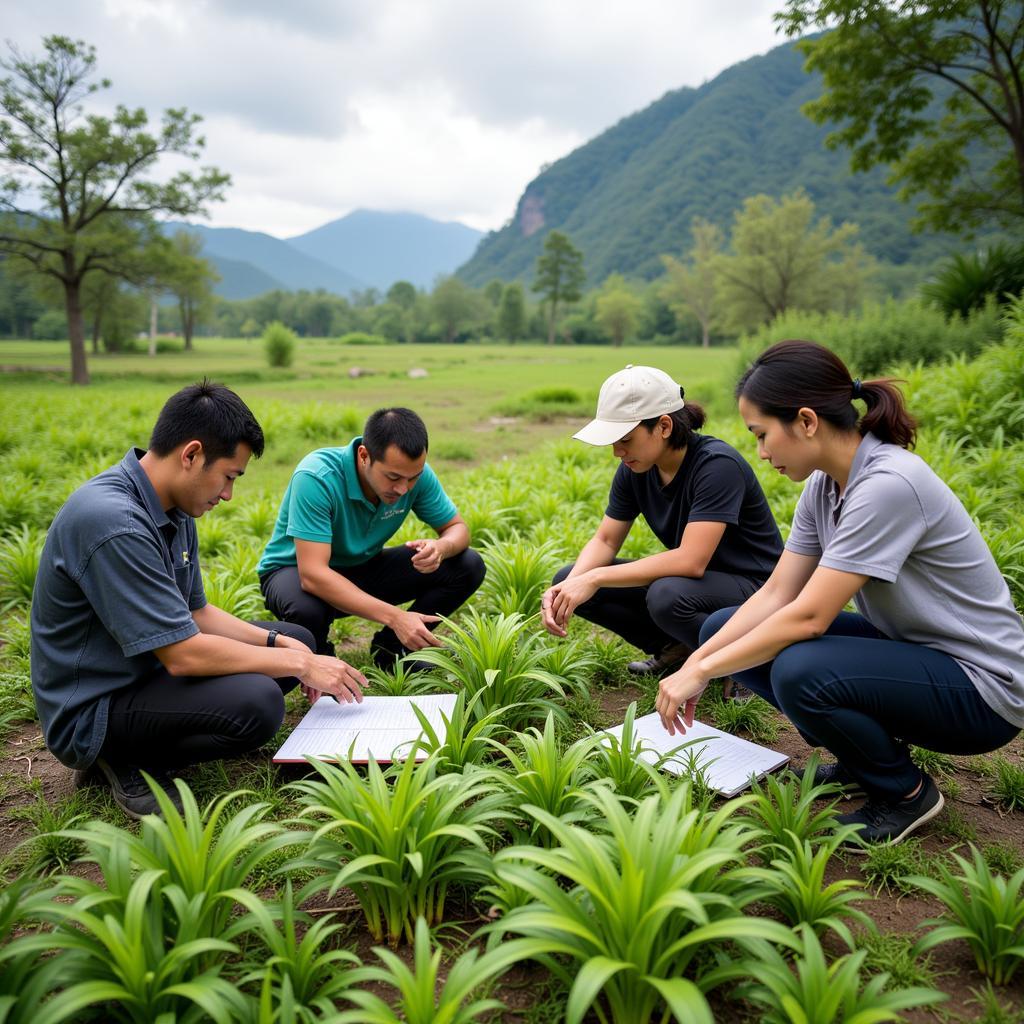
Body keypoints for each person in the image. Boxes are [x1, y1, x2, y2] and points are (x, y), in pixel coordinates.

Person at [656, 340, 1024, 845]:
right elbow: (776, 594)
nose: (760, 453)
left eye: (762, 435)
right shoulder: (826, 486)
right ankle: (860, 759)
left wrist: (699, 670)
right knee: (720, 628)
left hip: (984, 687)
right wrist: (696, 661)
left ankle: (905, 794)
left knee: (801, 668)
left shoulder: (888, 484)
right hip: (917, 652)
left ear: (806, 421)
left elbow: (808, 617)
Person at [30, 381, 367, 819]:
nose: (228, 494)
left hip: (145, 667)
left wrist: (282, 646)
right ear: (190, 454)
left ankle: (150, 735)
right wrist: (303, 665)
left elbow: (196, 613)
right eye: (229, 476)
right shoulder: (113, 521)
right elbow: (183, 655)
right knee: (260, 703)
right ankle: (123, 757)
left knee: (295, 637)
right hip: (95, 705)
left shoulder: (172, 503)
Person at [540, 364, 783, 678]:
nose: (617, 451)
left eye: (625, 439)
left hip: (758, 588)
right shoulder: (636, 468)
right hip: (697, 585)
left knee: (666, 594)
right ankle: (678, 647)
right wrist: (571, 585)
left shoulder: (716, 466)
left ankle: (742, 663)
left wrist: (595, 578)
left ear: (664, 426)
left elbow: (691, 561)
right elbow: (606, 540)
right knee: (570, 577)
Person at [258, 407, 485, 667]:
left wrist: (442, 547)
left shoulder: (412, 475)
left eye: (413, 478)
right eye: (393, 477)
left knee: (467, 565)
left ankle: (392, 649)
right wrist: (395, 616)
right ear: (364, 456)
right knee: (308, 608)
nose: (403, 488)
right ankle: (321, 660)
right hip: (294, 572)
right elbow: (313, 575)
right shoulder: (317, 476)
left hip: (362, 567)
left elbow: (458, 529)